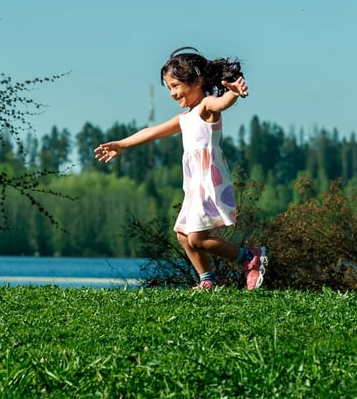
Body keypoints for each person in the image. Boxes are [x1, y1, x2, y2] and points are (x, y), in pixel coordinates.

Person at [94, 47, 267, 291]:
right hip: (194, 183)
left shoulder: (206, 106)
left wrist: (234, 94)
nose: (173, 93)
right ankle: (207, 279)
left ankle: (250, 257)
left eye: (176, 85)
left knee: (196, 238)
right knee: (183, 235)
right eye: (170, 88)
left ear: (197, 81)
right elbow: (151, 132)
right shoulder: (185, 118)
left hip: (209, 180)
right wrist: (121, 144)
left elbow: (221, 102)